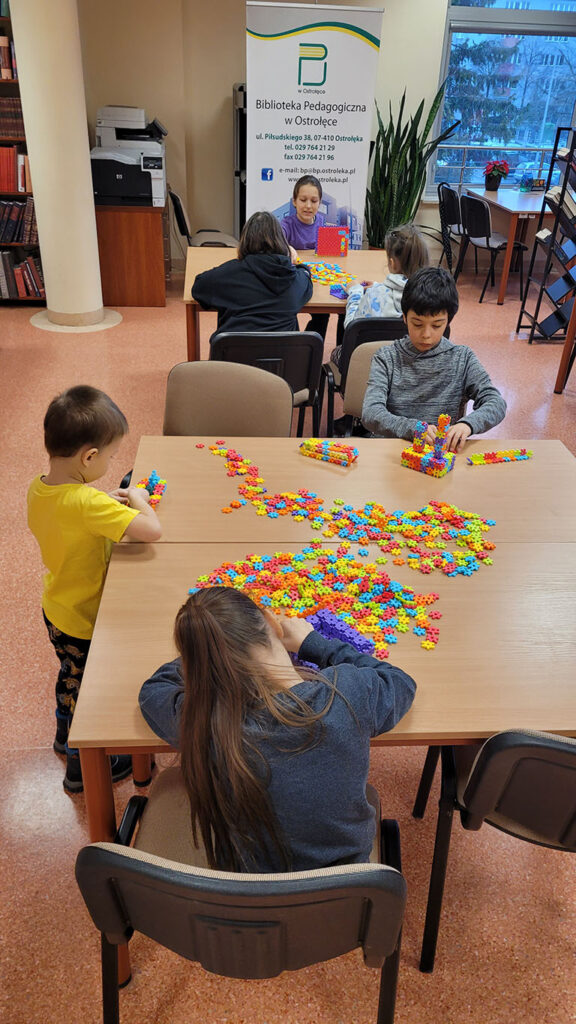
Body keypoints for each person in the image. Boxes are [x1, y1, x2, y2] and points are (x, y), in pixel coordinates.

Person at [138, 586, 416, 873]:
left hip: (243, 896)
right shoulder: (348, 693)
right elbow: (400, 682)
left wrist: (205, 653)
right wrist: (314, 643)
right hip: (345, 896)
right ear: (271, 621)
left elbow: (153, 691)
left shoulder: (204, 722)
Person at [27, 385, 162, 793]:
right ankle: (79, 768)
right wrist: (138, 497)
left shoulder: (39, 487)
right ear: (89, 457)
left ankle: (62, 735)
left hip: (57, 606)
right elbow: (151, 531)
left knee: (70, 677)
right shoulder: (87, 503)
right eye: (110, 454)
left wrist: (102, 504)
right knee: (84, 687)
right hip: (85, 618)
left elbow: (74, 517)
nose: (110, 461)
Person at [361, 267, 507, 452]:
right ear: (404, 317)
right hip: (393, 452)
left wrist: (467, 425)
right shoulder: (386, 358)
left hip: (440, 456)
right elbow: (371, 413)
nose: (426, 335)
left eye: (437, 325)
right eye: (417, 324)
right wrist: (413, 429)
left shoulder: (462, 358)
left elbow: (495, 402)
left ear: (448, 321)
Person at [191, 210, 312, 338]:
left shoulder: (228, 273)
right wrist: (294, 262)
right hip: (282, 357)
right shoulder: (294, 279)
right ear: (281, 243)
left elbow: (198, 288)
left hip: (231, 356)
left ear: (245, 241)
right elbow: (305, 275)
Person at [280, 174, 344, 344]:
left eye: (314, 201)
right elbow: (278, 242)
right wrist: (288, 248)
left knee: (327, 312)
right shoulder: (286, 224)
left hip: (319, 281)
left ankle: (313, 347)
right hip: (295, 280)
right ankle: (301, 345)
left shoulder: (323, 224)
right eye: (303, 200)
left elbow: (333, 257)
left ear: (320, 202)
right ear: (294, 201)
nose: (308, 206)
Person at [343, 224, 429, 330]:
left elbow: (351, 326)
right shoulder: (432, 296)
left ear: (392, 263)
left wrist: (355, 292)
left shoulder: (374, 295)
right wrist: (377, 285)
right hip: (409, 346)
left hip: (372, 347)